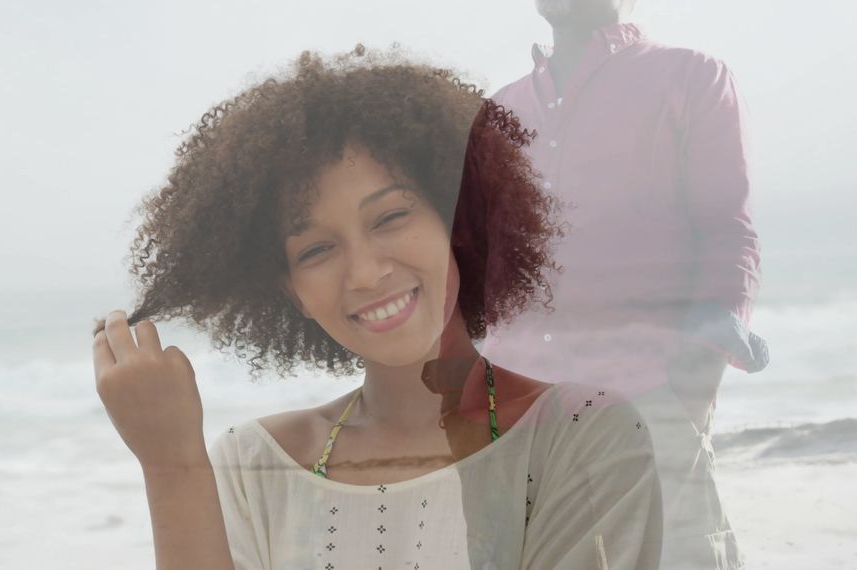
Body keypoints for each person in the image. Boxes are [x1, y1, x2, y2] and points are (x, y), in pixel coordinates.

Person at [92, 46, 663, 569]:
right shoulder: (254, 465)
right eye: (316, 250)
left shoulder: (581, 434)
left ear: (459, 221)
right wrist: (171, 468)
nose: (365, 273)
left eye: (390, 217)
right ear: (292, 292)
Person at [475, 1, 769, 568]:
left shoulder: (691, 76)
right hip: (518, 406)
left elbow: (728, 231)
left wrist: (696, 368)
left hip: (649, 393)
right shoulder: (498, 111)